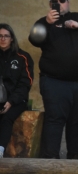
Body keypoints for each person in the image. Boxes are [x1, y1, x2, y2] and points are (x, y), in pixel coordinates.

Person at [28, 0, 78, 159]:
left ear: (68, 2)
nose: (59, 3)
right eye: (55, 1)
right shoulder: (43, 22)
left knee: (76, 122)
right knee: (54, 120)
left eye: (62, 0)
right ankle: (50, 160)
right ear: (50, 5)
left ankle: (74, 160)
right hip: (54, 82)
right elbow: (34, 39)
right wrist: (47, 23)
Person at [0, 23, 34, 158]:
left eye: (6, 36)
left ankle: (0, 150)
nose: (3, 39)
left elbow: (26, 83)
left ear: (12, 38)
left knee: (6, 118)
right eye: (0, 36)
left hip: (16, 100)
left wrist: (11, 101)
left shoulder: (22, 57)